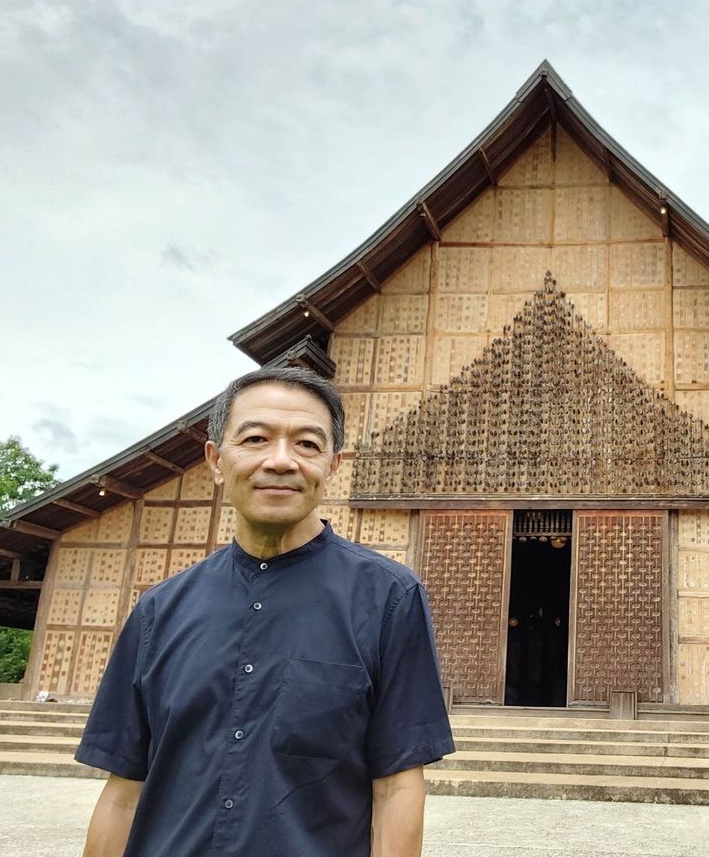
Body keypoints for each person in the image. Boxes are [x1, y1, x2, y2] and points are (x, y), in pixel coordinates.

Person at [76, 365, 454, 857]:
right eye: (255, 439)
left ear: (333, 466)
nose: (280, 461)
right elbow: (123, 792)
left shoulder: (388, 599)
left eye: (307, 444)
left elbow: (397, 787)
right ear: (216, 461)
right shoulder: (158, 610)